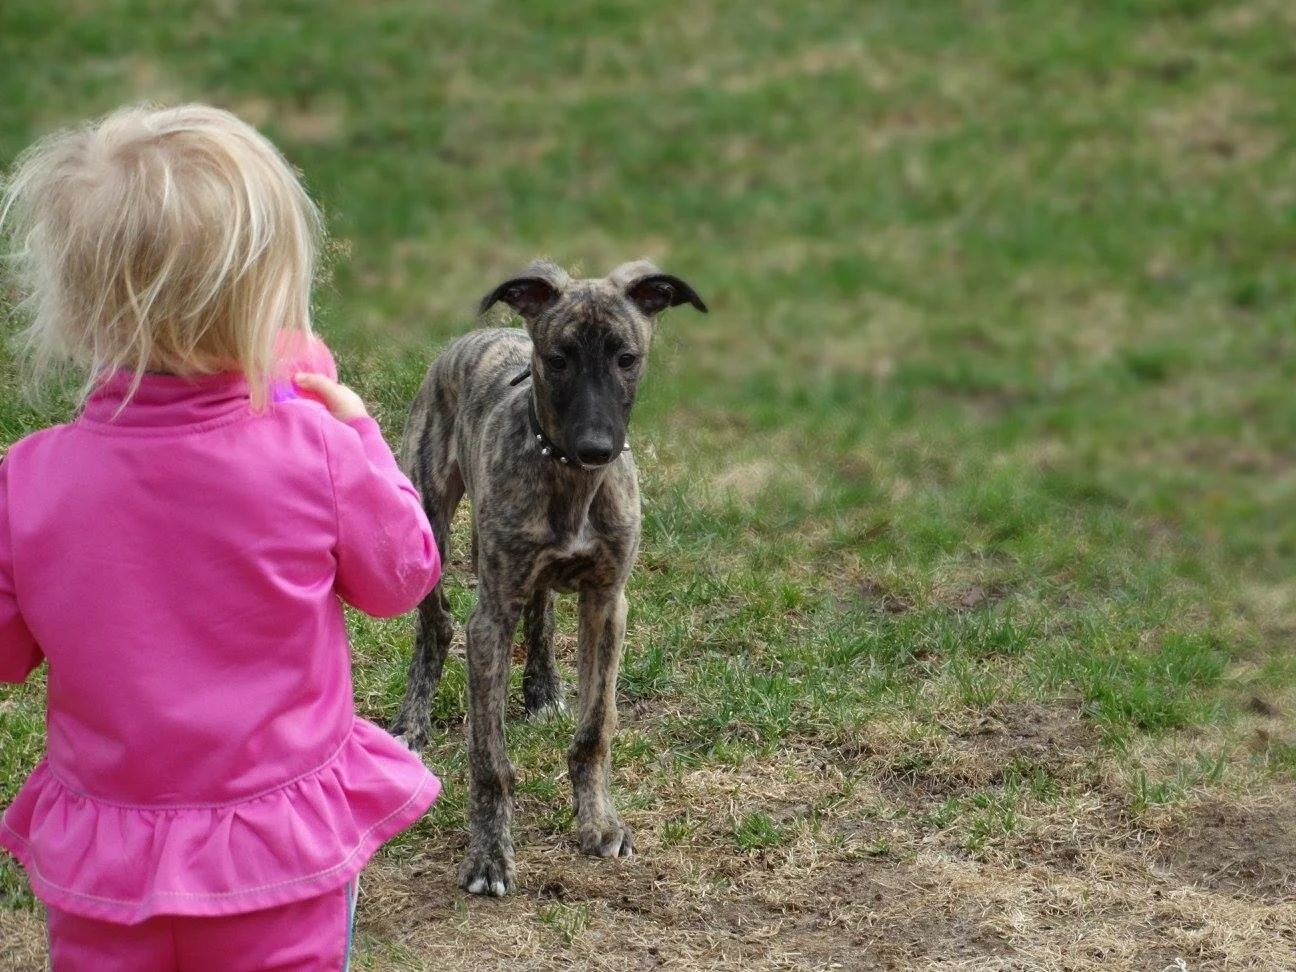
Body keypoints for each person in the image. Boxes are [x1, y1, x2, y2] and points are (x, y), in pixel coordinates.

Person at [0, 103, 442, 970]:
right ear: (265, 298)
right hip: (276, 855)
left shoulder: (29, 478)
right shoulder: (314, 449)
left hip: (106, 865)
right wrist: (360, 433)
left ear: (82, 312)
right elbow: (402, 576)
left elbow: (9, 651)